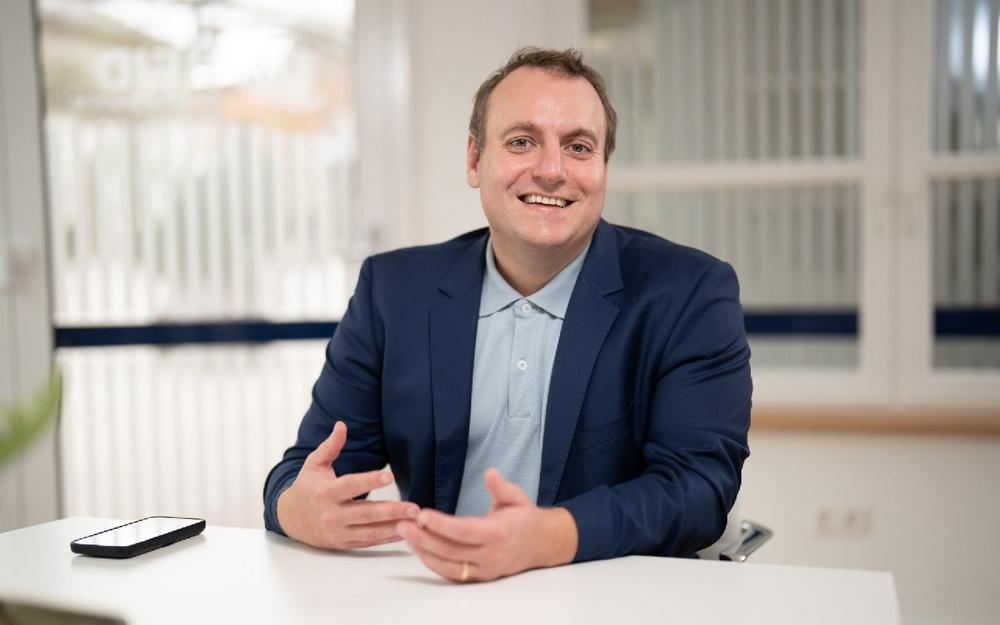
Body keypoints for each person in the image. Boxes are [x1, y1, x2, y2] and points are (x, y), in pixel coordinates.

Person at [263, 47, 751, 583]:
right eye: (522, 142)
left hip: (610, 599)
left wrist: (549, 538)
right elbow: (306, 471)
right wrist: (297, 509)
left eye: (579, 147)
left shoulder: (689, 293)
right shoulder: (393, 291)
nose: (552, 171)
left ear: (603, 168)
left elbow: (699, 490)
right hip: (441, 597)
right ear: (475, 160)